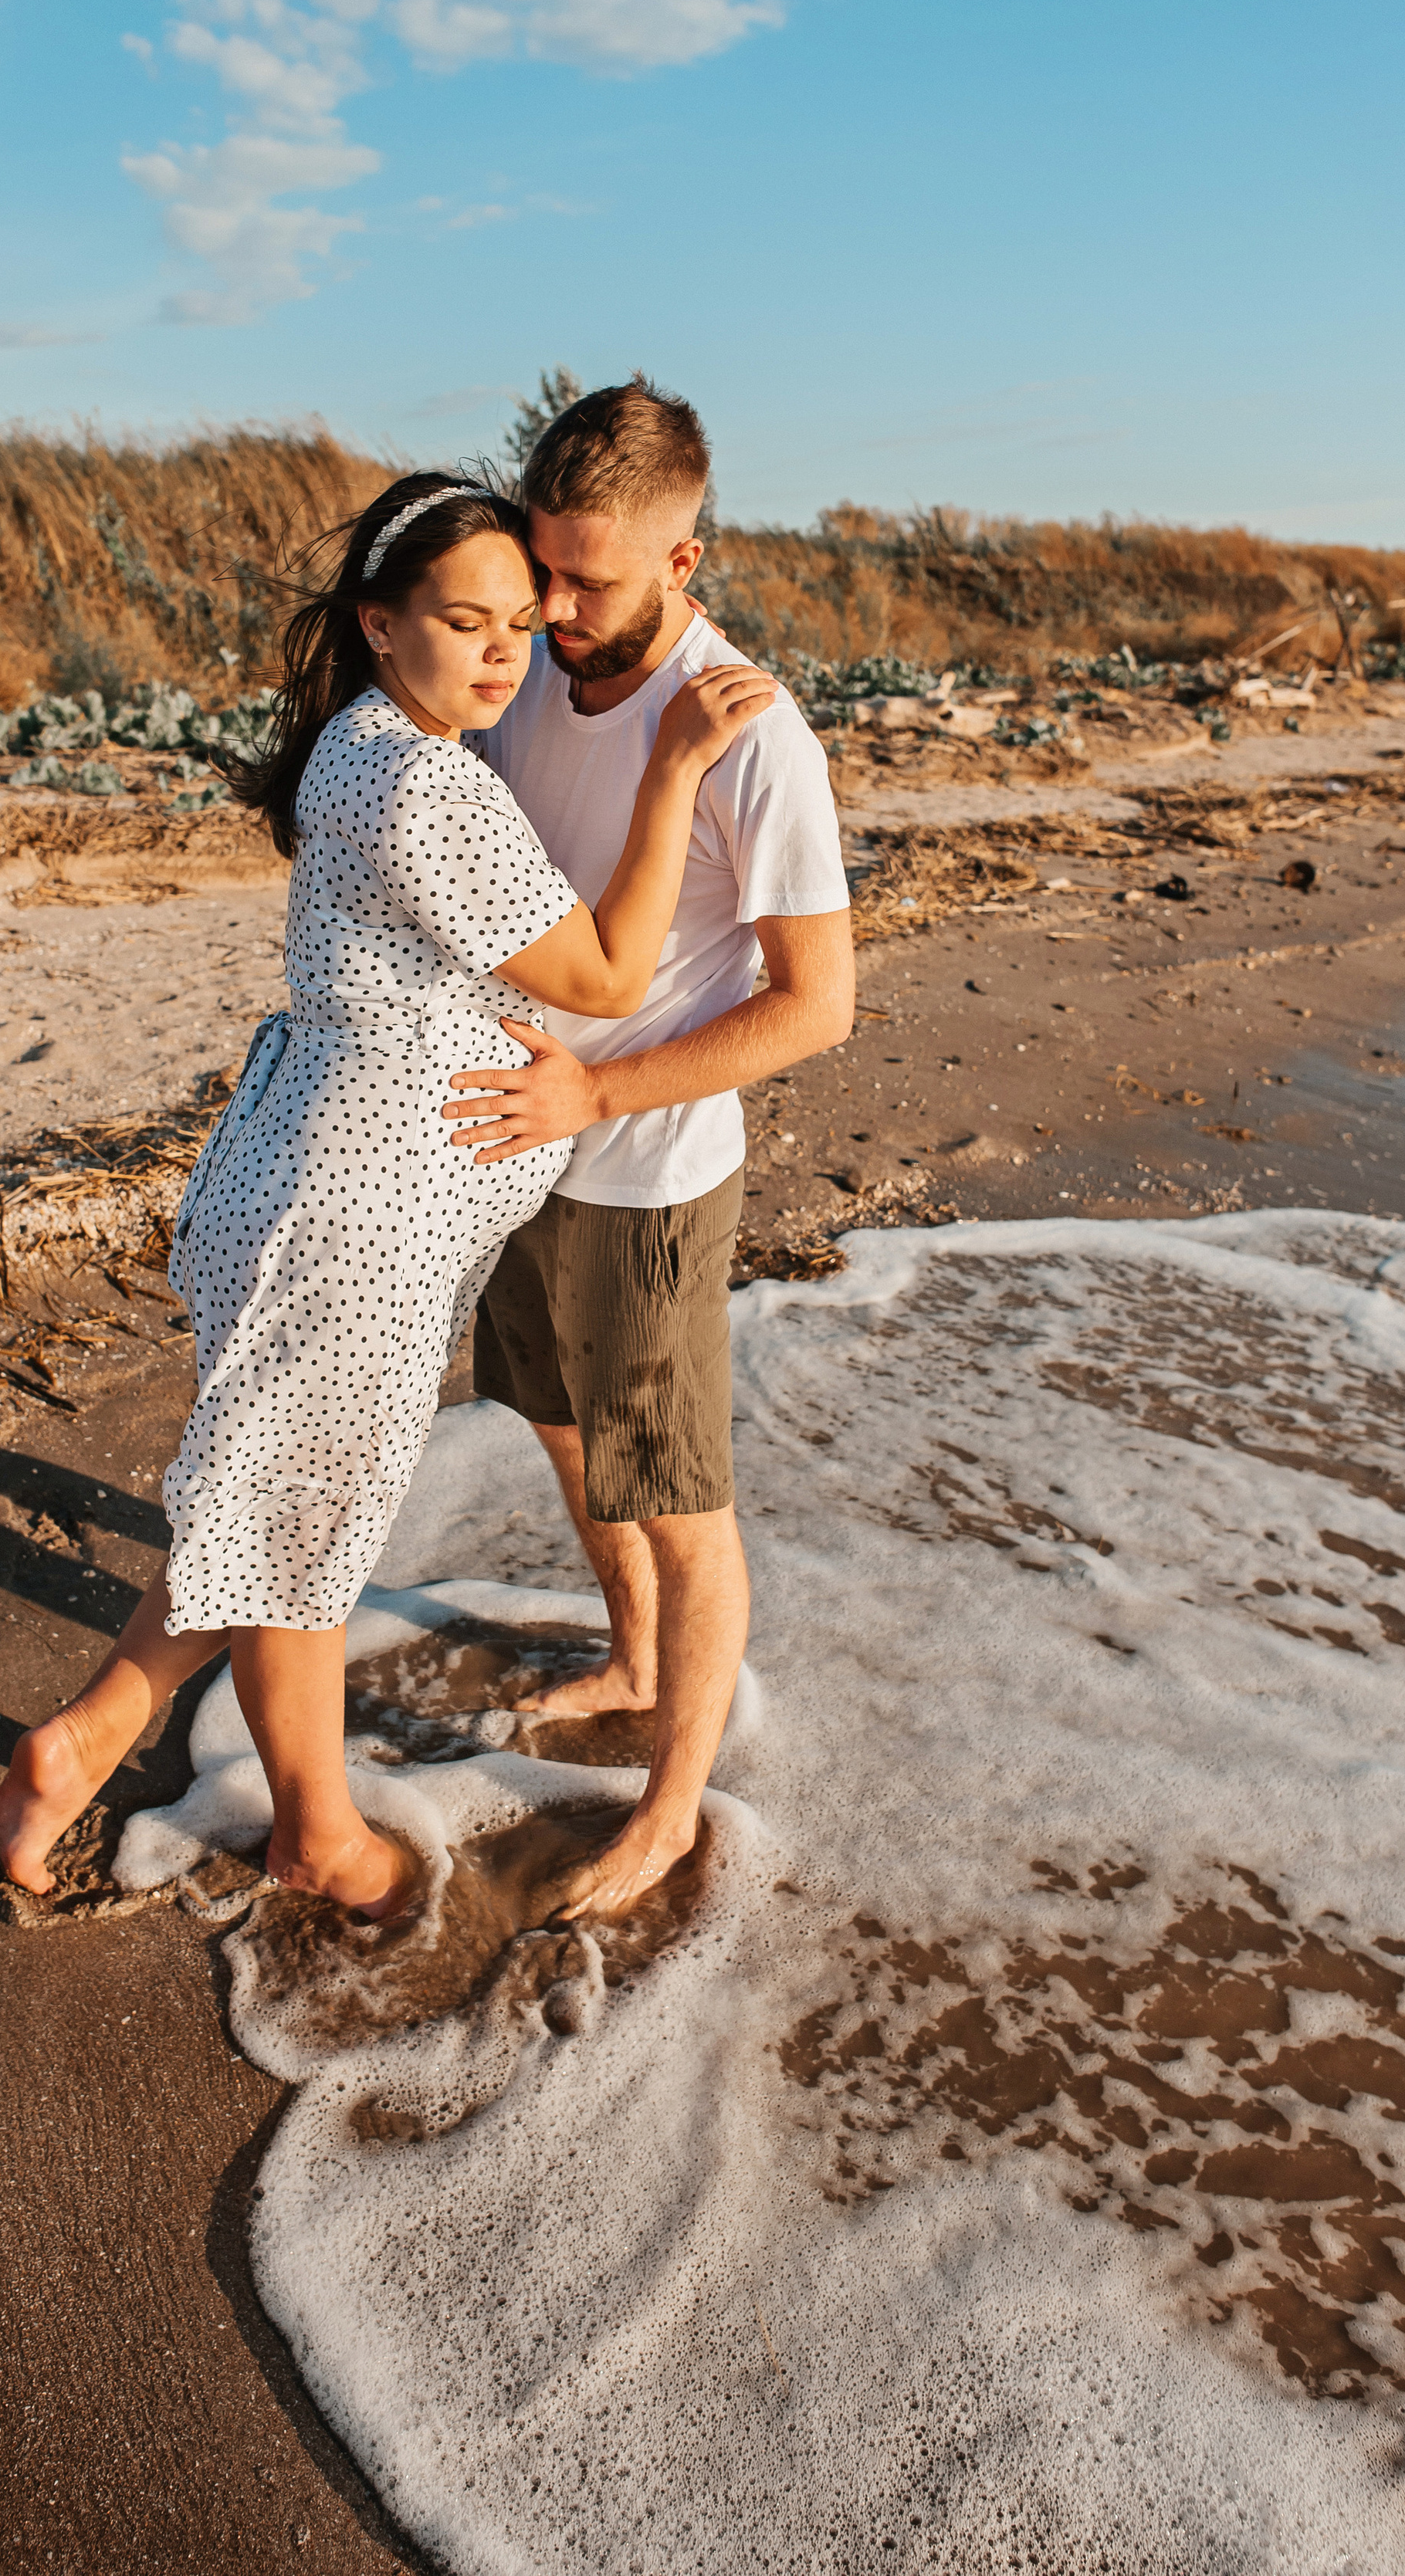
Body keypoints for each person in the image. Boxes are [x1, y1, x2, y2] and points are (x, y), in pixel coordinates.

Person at [0, 472, 774, 1917]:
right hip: (357, 1215)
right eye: (461, 622)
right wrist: (667, 771)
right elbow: (602, 977)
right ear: (378, 621)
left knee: (269, 1497)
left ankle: (86, 1738)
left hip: (320, 1186)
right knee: (304, 1541)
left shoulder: (371, 748)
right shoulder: (422, 781)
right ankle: (318, 1833)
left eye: (519, 627)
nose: (498, 654)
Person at [445, 379, 854, 1918]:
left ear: (685, 563)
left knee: (681, 1507)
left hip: (642, 1176)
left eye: (589, 580)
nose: (549, 608)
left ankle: (672, 1809)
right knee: (555, 1428)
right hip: (510, 1145)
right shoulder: (532, 664)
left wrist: (599, 1099)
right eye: (541, 566)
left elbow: (814, 1005)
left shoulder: (749, 735)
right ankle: (625, 1662)